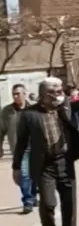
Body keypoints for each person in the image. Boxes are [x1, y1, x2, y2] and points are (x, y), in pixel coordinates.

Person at [12, 76, 79, 226]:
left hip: (64, 162)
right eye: (52, 92)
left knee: (69, 205)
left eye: (59, 91)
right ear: (43, 94)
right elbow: (21, 143)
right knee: (48, 204)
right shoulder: (29, 114)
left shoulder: (64, 106)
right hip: (44, 166)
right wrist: (16, 168)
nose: (57, 95)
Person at [0, 84, 37, 214]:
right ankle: (27, 201)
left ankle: (33, 195)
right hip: (19, 149)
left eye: (18, 93)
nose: (15, 96)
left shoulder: (34, 108)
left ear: (25, 94)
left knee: (35, 175)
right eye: (13, 94)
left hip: (36, 147)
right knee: (24, 175)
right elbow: (1, 130)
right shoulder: (7, 111)